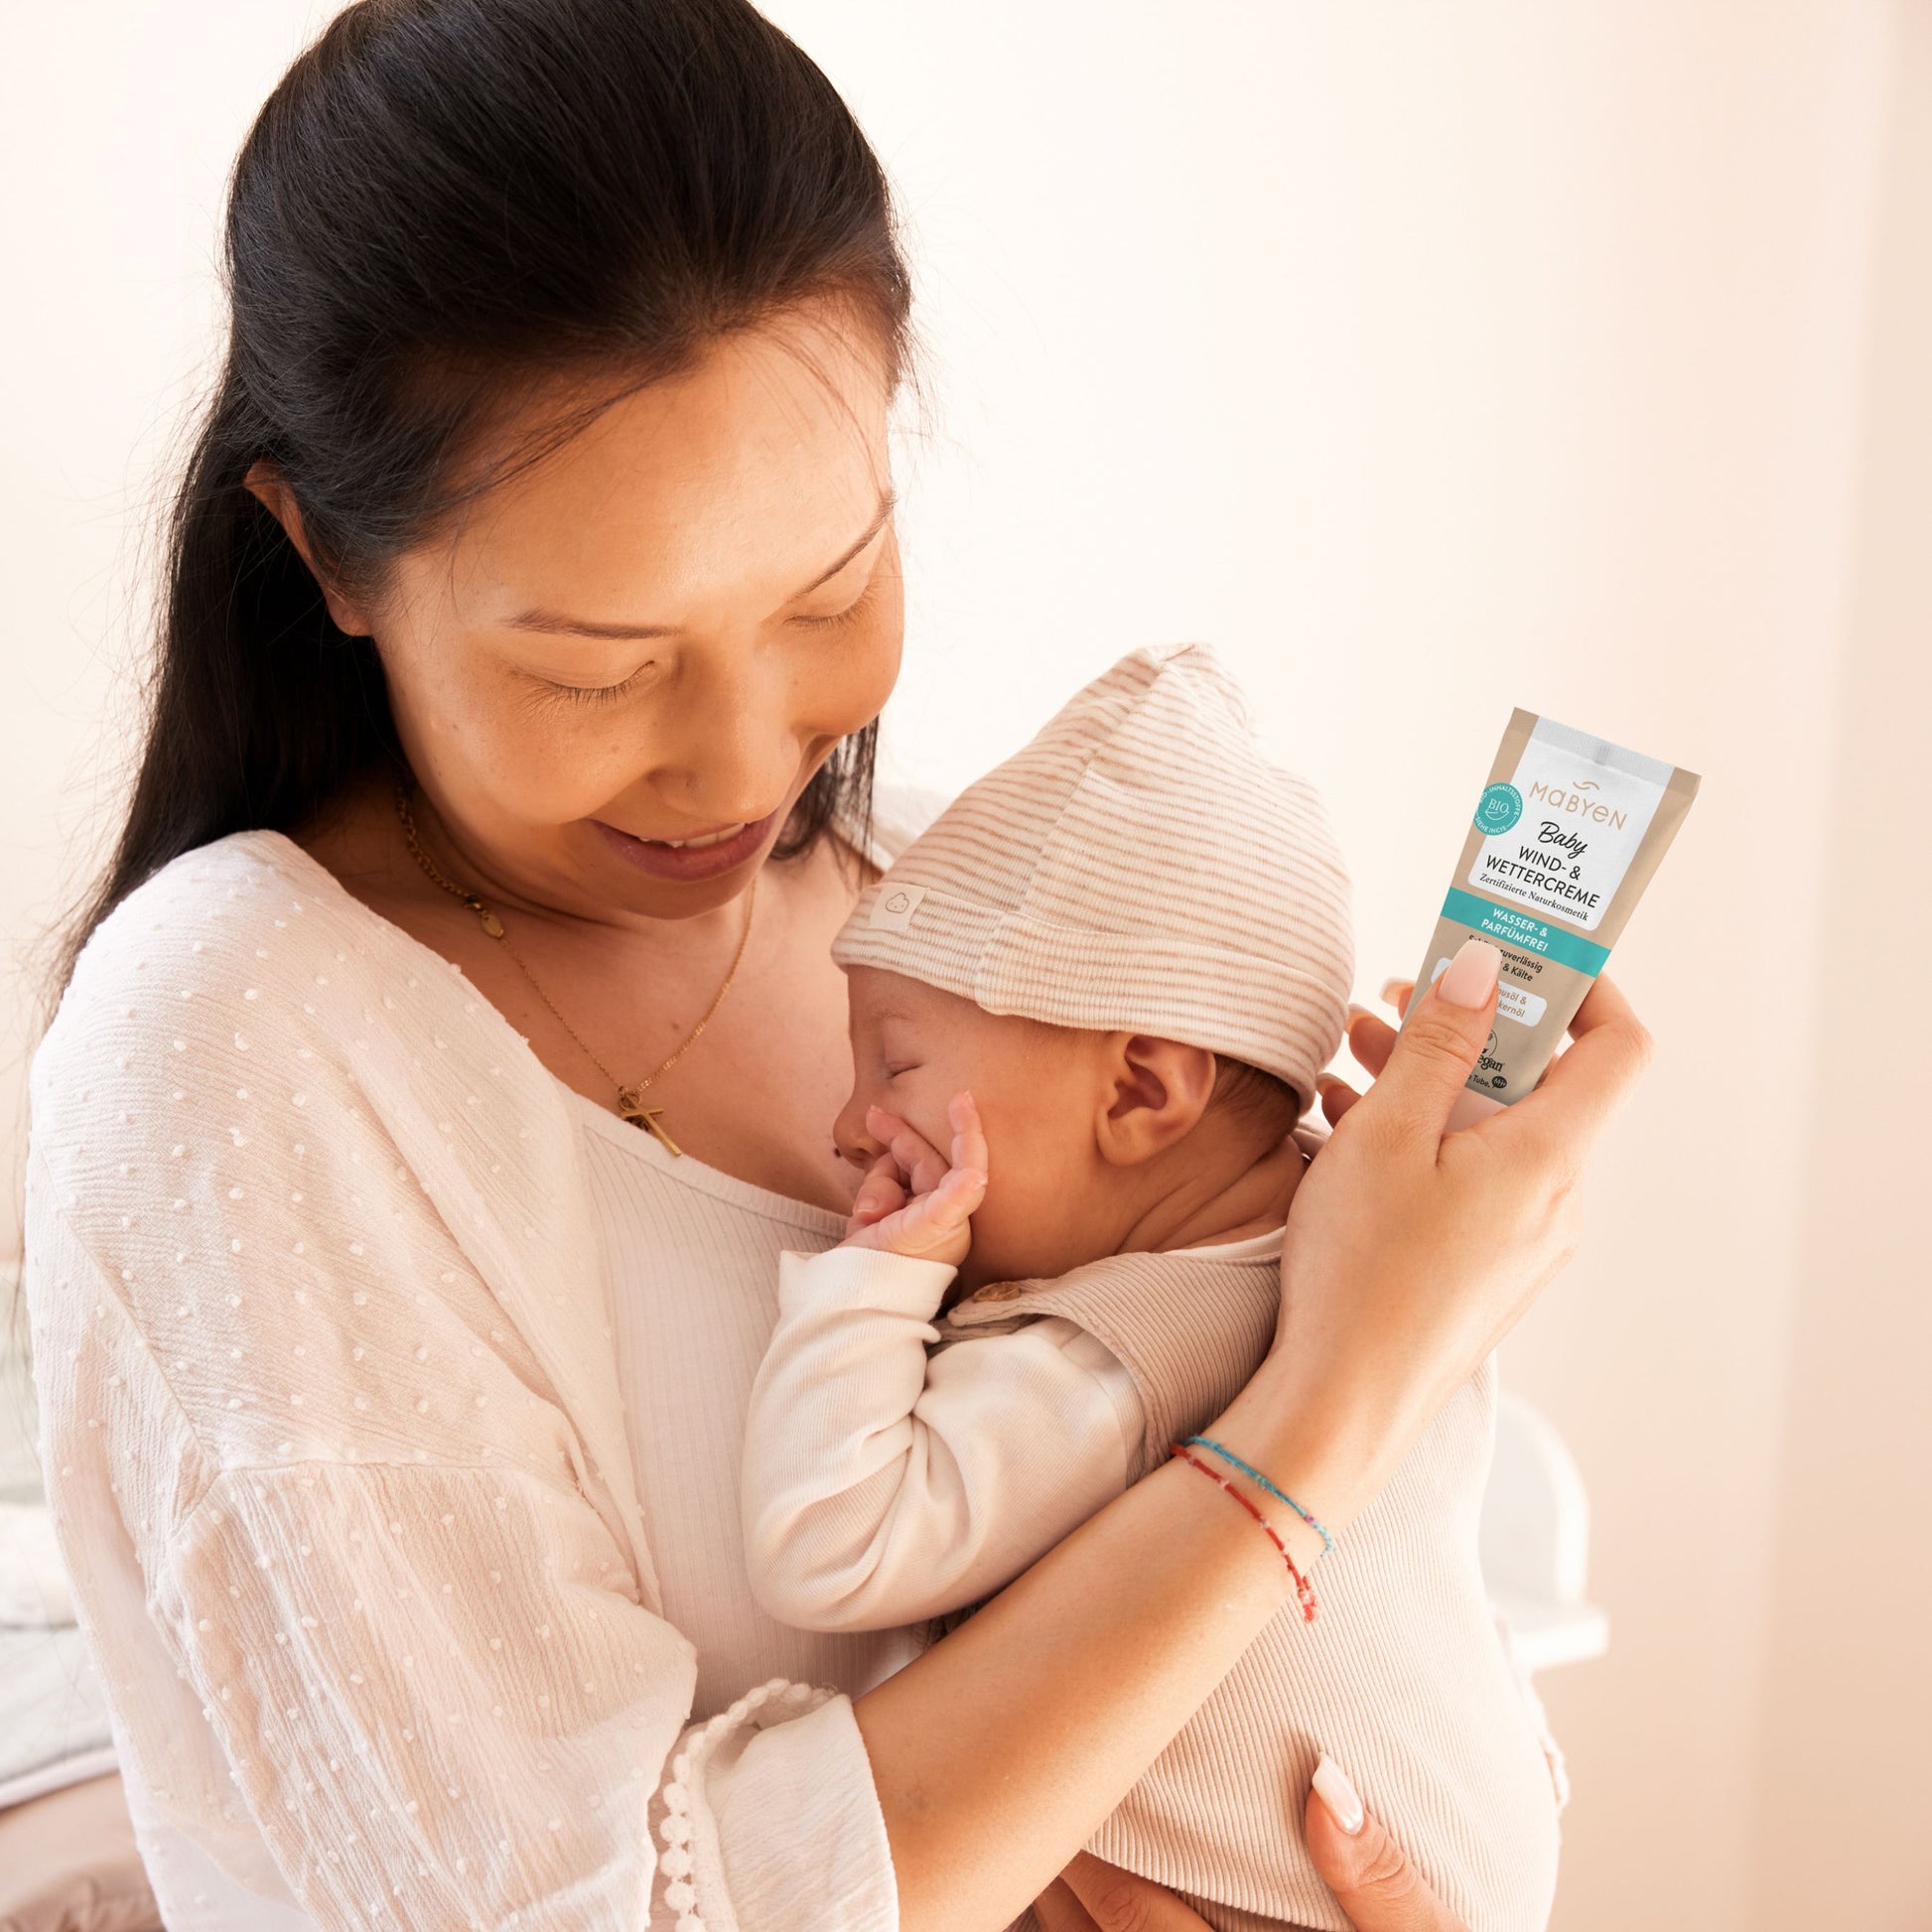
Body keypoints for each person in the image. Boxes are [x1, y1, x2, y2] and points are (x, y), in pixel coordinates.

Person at [19, 3, 1653, 1929]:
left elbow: (1384, 1679)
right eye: (596, 663)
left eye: (830, 592)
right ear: (328, 556)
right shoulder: (243, 1027)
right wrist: (1334, 1398)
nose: (740, 766)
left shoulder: (972, 938)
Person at [740, 642, 1564, 1932]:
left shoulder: (1100, 1355)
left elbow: (829, 1545)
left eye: (892, 1064)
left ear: (1136, 1090)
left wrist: (870, 1284)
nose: (848, 1123)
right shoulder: (1389, 1259)